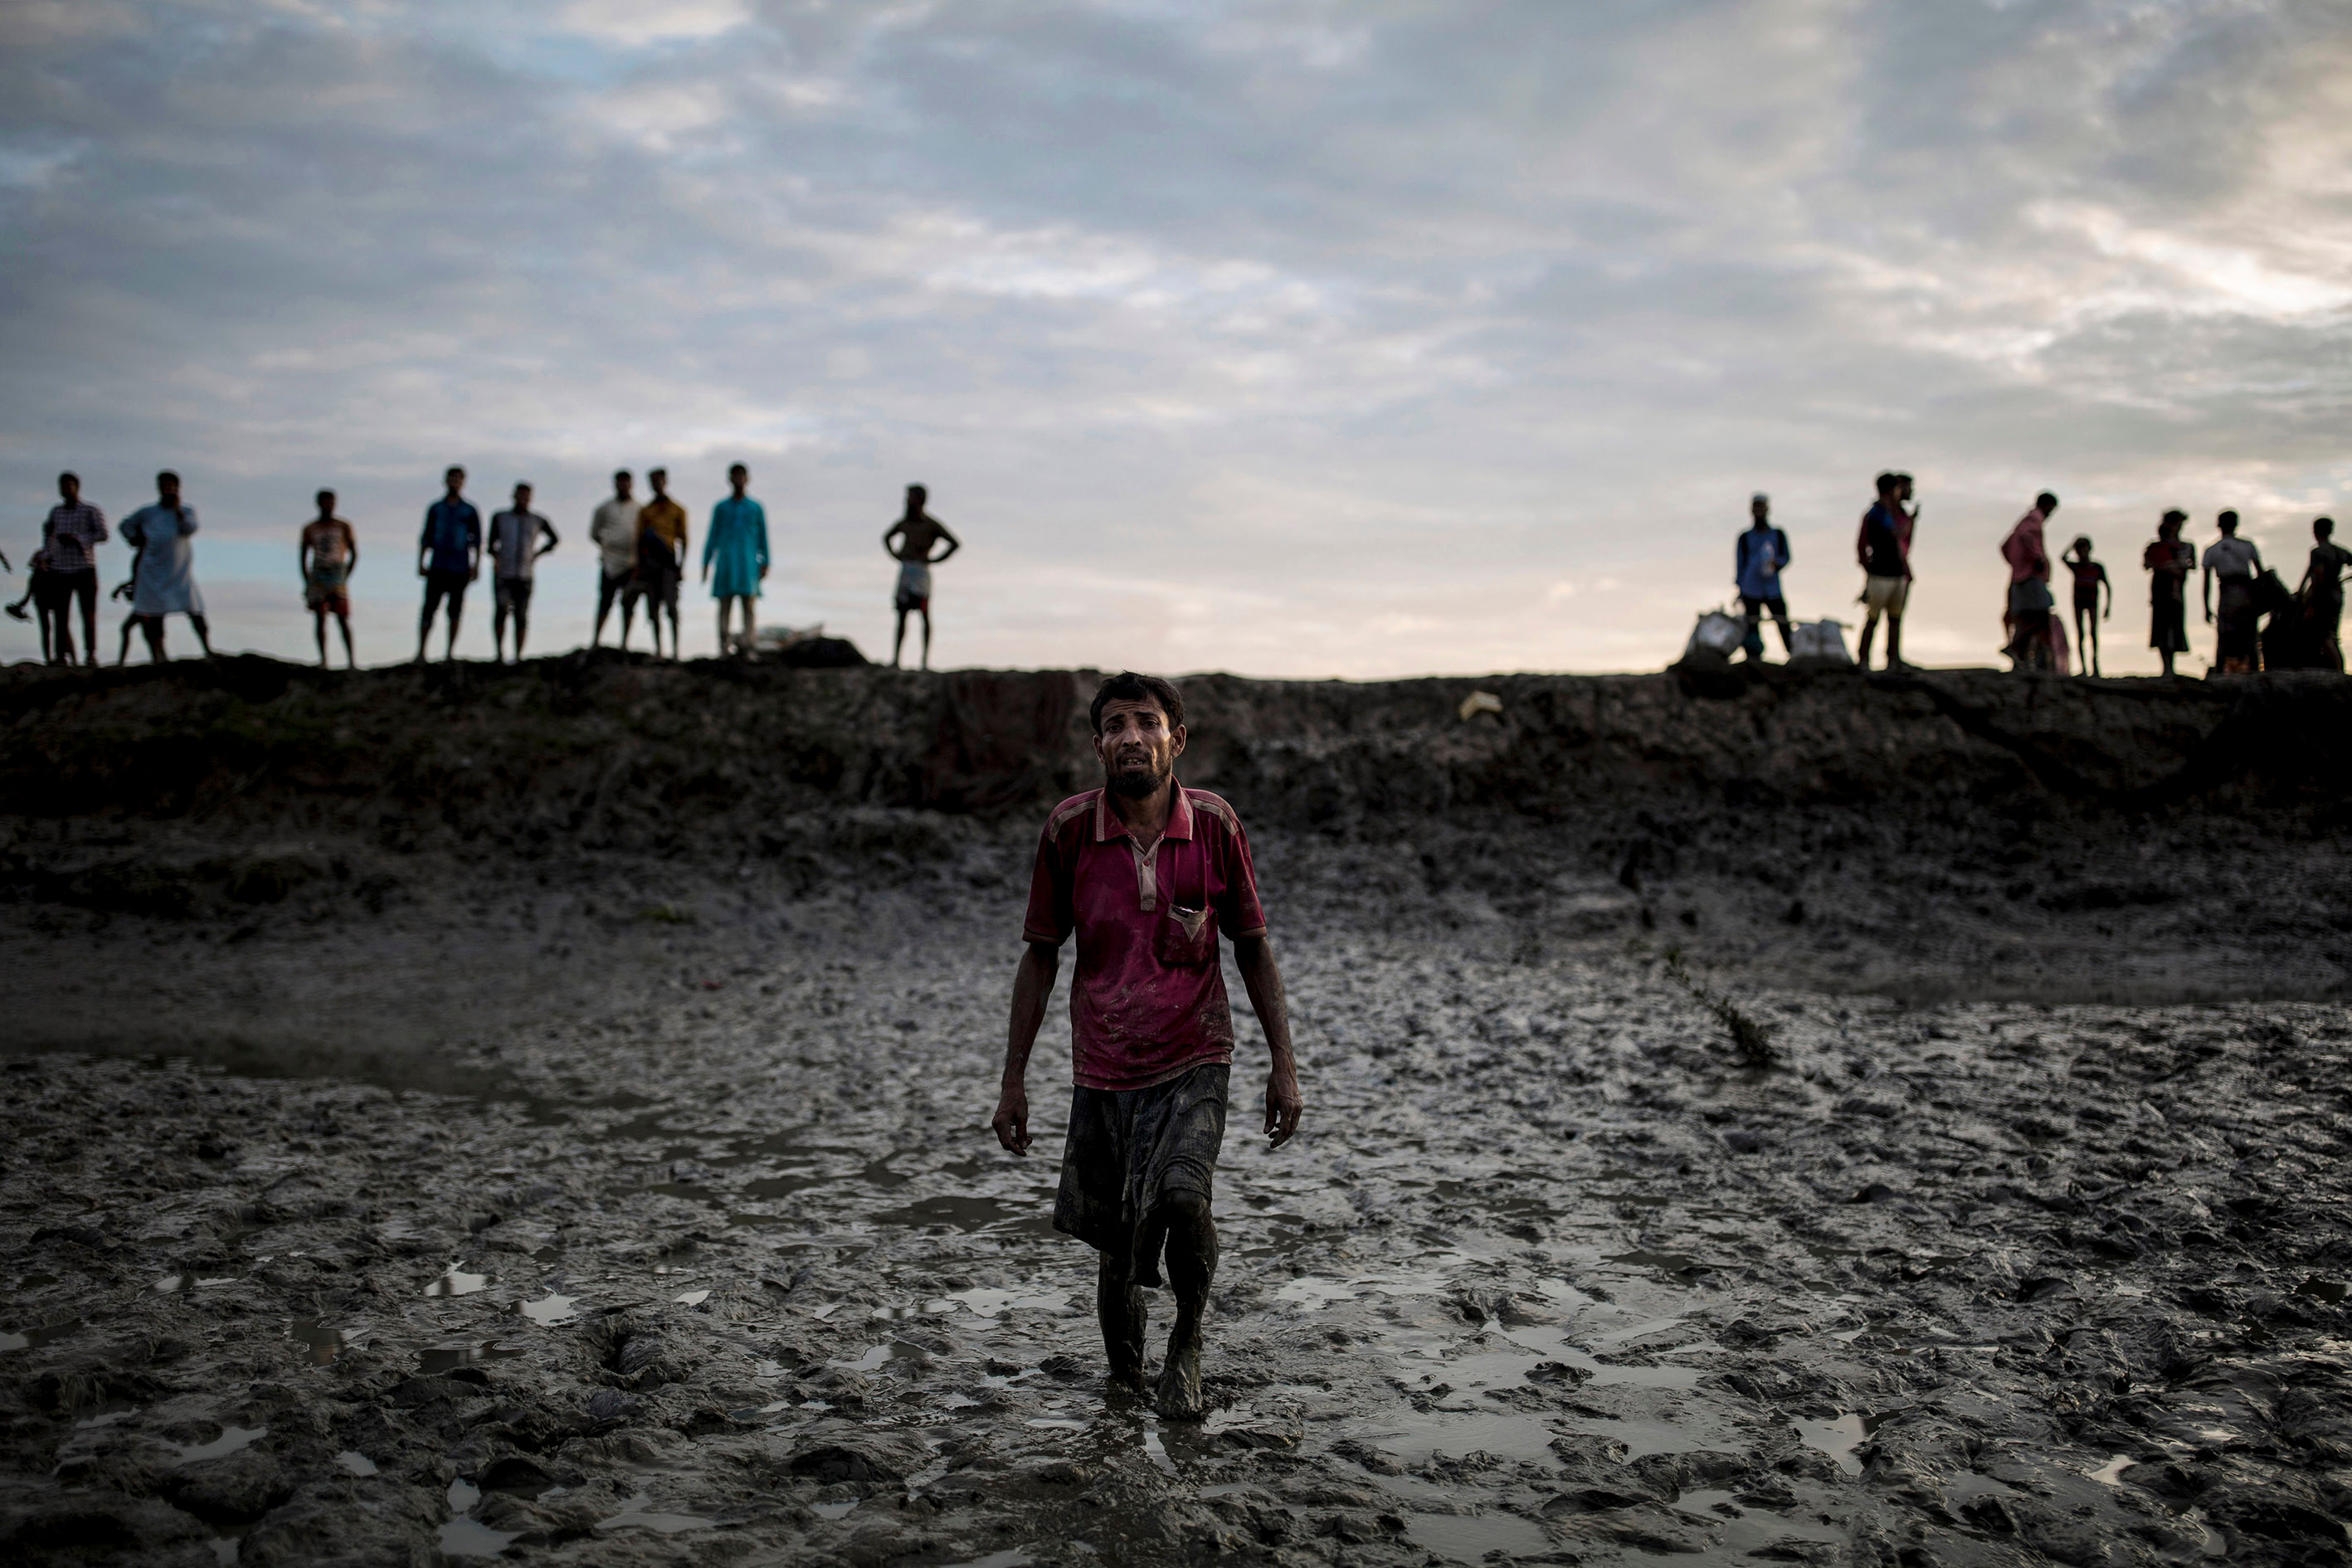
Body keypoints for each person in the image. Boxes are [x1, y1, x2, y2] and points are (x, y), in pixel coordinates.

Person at [991, 672, 1303, 1420]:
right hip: (1102, 1069)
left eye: (1147, 722)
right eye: (1115, 725)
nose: (1131, 736)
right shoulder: (1069, 830)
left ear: (1176, 738)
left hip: (1195, 1057)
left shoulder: (1216, 825)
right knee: (1116, 1243)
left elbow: (1253, 947)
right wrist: (1013, 1081)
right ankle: (1124, 1382)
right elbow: (1040, 955)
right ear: (1098, 744)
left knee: (1182, 1197)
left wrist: (1284, 1068)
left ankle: (1187, 1344)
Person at [119, 471, 213, 662]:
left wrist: (177, 510)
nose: (169, 490)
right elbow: (125, 526)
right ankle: (160, 656)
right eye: (165, 486)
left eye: (172, 486)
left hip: (179, 572)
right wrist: (135, 539)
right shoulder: (148, 513)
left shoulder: (186, 511)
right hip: (152, 570)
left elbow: (190, 529)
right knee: (154, 613)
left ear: (178, 488)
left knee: (194, 609)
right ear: (159, 488)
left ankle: (208, 649)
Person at [884, 484, 962, 670]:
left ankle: (924, 661)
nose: (906, 500)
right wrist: (895, 555)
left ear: (919, 500)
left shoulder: (931, 525)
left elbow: (954, 543)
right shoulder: (905, 523)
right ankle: (896, 659)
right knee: (901, 614)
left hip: (921, 572)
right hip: (906, 569)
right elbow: (887, 537)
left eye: (910, 497)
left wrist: (934, 560)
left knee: (924, 614)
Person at [31, 473, 105, 666]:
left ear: (77, 487)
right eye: (62, 486)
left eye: (69, 486)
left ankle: (90, 654)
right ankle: (60, 656)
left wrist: (79, 538)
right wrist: (45, 557)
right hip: (60, 569)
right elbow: (49, 536)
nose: (65, 489)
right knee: (61, 615)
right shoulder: (56, 512)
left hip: (84, 568)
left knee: (88, 613)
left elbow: (103, 534)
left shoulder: (90, 510)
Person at [416, 466, 480, 662]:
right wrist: (421, 562)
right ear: (446, 481)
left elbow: (476, 539)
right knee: (429, 609)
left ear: (463, 482)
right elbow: (426, 536)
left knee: (455, 610)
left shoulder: (469, 510)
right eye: (452, 479)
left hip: (459, 567)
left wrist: (475, 565)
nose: (455, 483)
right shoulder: (436, 508)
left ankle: (449, 652)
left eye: (458, 479)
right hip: (438, 565)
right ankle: (421, 652)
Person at [489, 482, 558, 663]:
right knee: (501, 610)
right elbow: (490, 544)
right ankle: (499, 654)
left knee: (521, 615)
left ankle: (518, 656)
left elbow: (554, 539)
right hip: (504, 573)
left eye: (526, 497)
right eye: (520, 496)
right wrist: (497, 559)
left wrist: (537, 554)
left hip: (525, 574)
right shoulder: (501, 517)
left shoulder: (537, 520)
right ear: (514, 496)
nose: (523, 500)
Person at [703, 463, 768, 654]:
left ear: (747, 479)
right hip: (725, 563)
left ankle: (749, 645)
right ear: (729, 479)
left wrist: (765, 561)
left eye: (742, 476)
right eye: (735, 476)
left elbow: (763, 536)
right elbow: (712, 536)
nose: (738, 480)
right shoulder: (721, 508)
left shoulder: (755, 508)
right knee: (724, 605)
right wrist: (706, 562)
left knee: (749, 606)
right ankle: (724, 646)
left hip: (748, 564)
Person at [1856, 473, 1911, 670]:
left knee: (1894, 618)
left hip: (1896, 573)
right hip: (1880, 573)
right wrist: (1869, 570)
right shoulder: (1877, 514)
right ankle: (1864, 660)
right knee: (1873, 618)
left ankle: (1893, 660)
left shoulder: (1891, 514)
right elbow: (1865, 544)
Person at [299, 490, 359, 669]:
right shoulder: (310, 528)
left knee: (342, 616)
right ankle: (324, 659)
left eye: (331, 502)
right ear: (319, 503)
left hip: (337, 571)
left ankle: (351, 661)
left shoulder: (343, 526)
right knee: (320, 616)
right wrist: (307, 580)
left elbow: (354, 552)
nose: (329, 506)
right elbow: (303, 556)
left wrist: (345, 575)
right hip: (318, 572)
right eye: (325, 502)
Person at [634, 468, 688, 660]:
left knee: (672, 607)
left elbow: (684, 540)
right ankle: (659, 650)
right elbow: (639, 541)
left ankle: (675, 651)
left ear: (665, 482)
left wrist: (680, 567)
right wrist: (640, 568)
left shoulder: (677, 510)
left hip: (669, 563)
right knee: (653, 608)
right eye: (653, 481)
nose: (657, 484)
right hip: (651, 564)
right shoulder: (646, 512)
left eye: (659, 480)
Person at [2000, 492, 2057, 672]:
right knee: (2042, 614)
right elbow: (2026, 536)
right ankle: (2016, 648)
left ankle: (2021, 659)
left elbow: (2005, 546)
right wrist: (2036, 558)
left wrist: (2017, 564)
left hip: (2020, 576)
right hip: (2030, 577)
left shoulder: (2024, 520)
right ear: (2047, 505)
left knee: (2025, 618)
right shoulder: (2035, 519)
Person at [2202, 510, 2263, 674]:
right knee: (2249, 635)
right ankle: (2255, 671)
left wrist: (2206, 606)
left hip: (2227, 592)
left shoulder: (2212, 550)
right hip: (2246, 591)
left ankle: (2221, 672)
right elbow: (2261, 574)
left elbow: (2206, 582)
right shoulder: (2247, 545)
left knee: (2224, 635)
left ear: (2219, 525)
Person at [1732, 493, 1790, 660]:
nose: (1759, 510)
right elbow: (1740, 564)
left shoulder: (1777, 534)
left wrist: (1776, 563)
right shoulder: (1745, 538)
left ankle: (1792, 653)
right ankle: (1754, 659)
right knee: (1752, 624)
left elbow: (1786, 557)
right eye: (1756, 507)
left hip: (1773, 588)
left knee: (1782, 622)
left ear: (1767, 509)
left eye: (1761, 507)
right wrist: (1741, 588)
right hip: (1751, 588)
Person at [590, 470, 641, 650]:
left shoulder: (639, 509)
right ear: (615, 484)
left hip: (631, 563)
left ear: (631, 484)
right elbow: (594, 533)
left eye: (626, 482)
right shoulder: (604, 509)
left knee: (628, 605)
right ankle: (596, 641)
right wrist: (608, 547)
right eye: (620, 482)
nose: (623, 486)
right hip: (610, 563)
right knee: (605, 602)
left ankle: (624, 644)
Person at [2143, 510, 2194, 678]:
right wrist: (2168, 566)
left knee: (2175, 624)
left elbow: (2191, 564)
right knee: (2161, 626)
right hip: (2160, 588)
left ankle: (2170, 666)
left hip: (2177, 588)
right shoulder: (2155, 547)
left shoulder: (2185, 546)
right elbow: (2148, 563)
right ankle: (2166, 666)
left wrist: (2178, 567)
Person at [2297, 516, 2350, 673]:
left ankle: (2338, 671)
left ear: (2315, 531)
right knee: (2332, 634)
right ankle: (2338, 669)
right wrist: (2340, 580)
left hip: (2322, 596)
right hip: (2337, 595)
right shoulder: (2340, 551)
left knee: (2323, 635)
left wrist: (2310, 602)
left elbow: (2318, 576)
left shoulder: (2318, 552)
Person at [2064, 536, 2111, 678]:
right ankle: (2084, 667)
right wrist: (2071, 545)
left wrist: (2108, 606)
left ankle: (2095, 665)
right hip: (2078, 603)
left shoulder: (2097, 567)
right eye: (2079, 550)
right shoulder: (2076, 567)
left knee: (2093, 633)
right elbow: (2063, 558)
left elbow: (2108, 586)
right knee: (2081, 634)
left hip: (2092, 603)